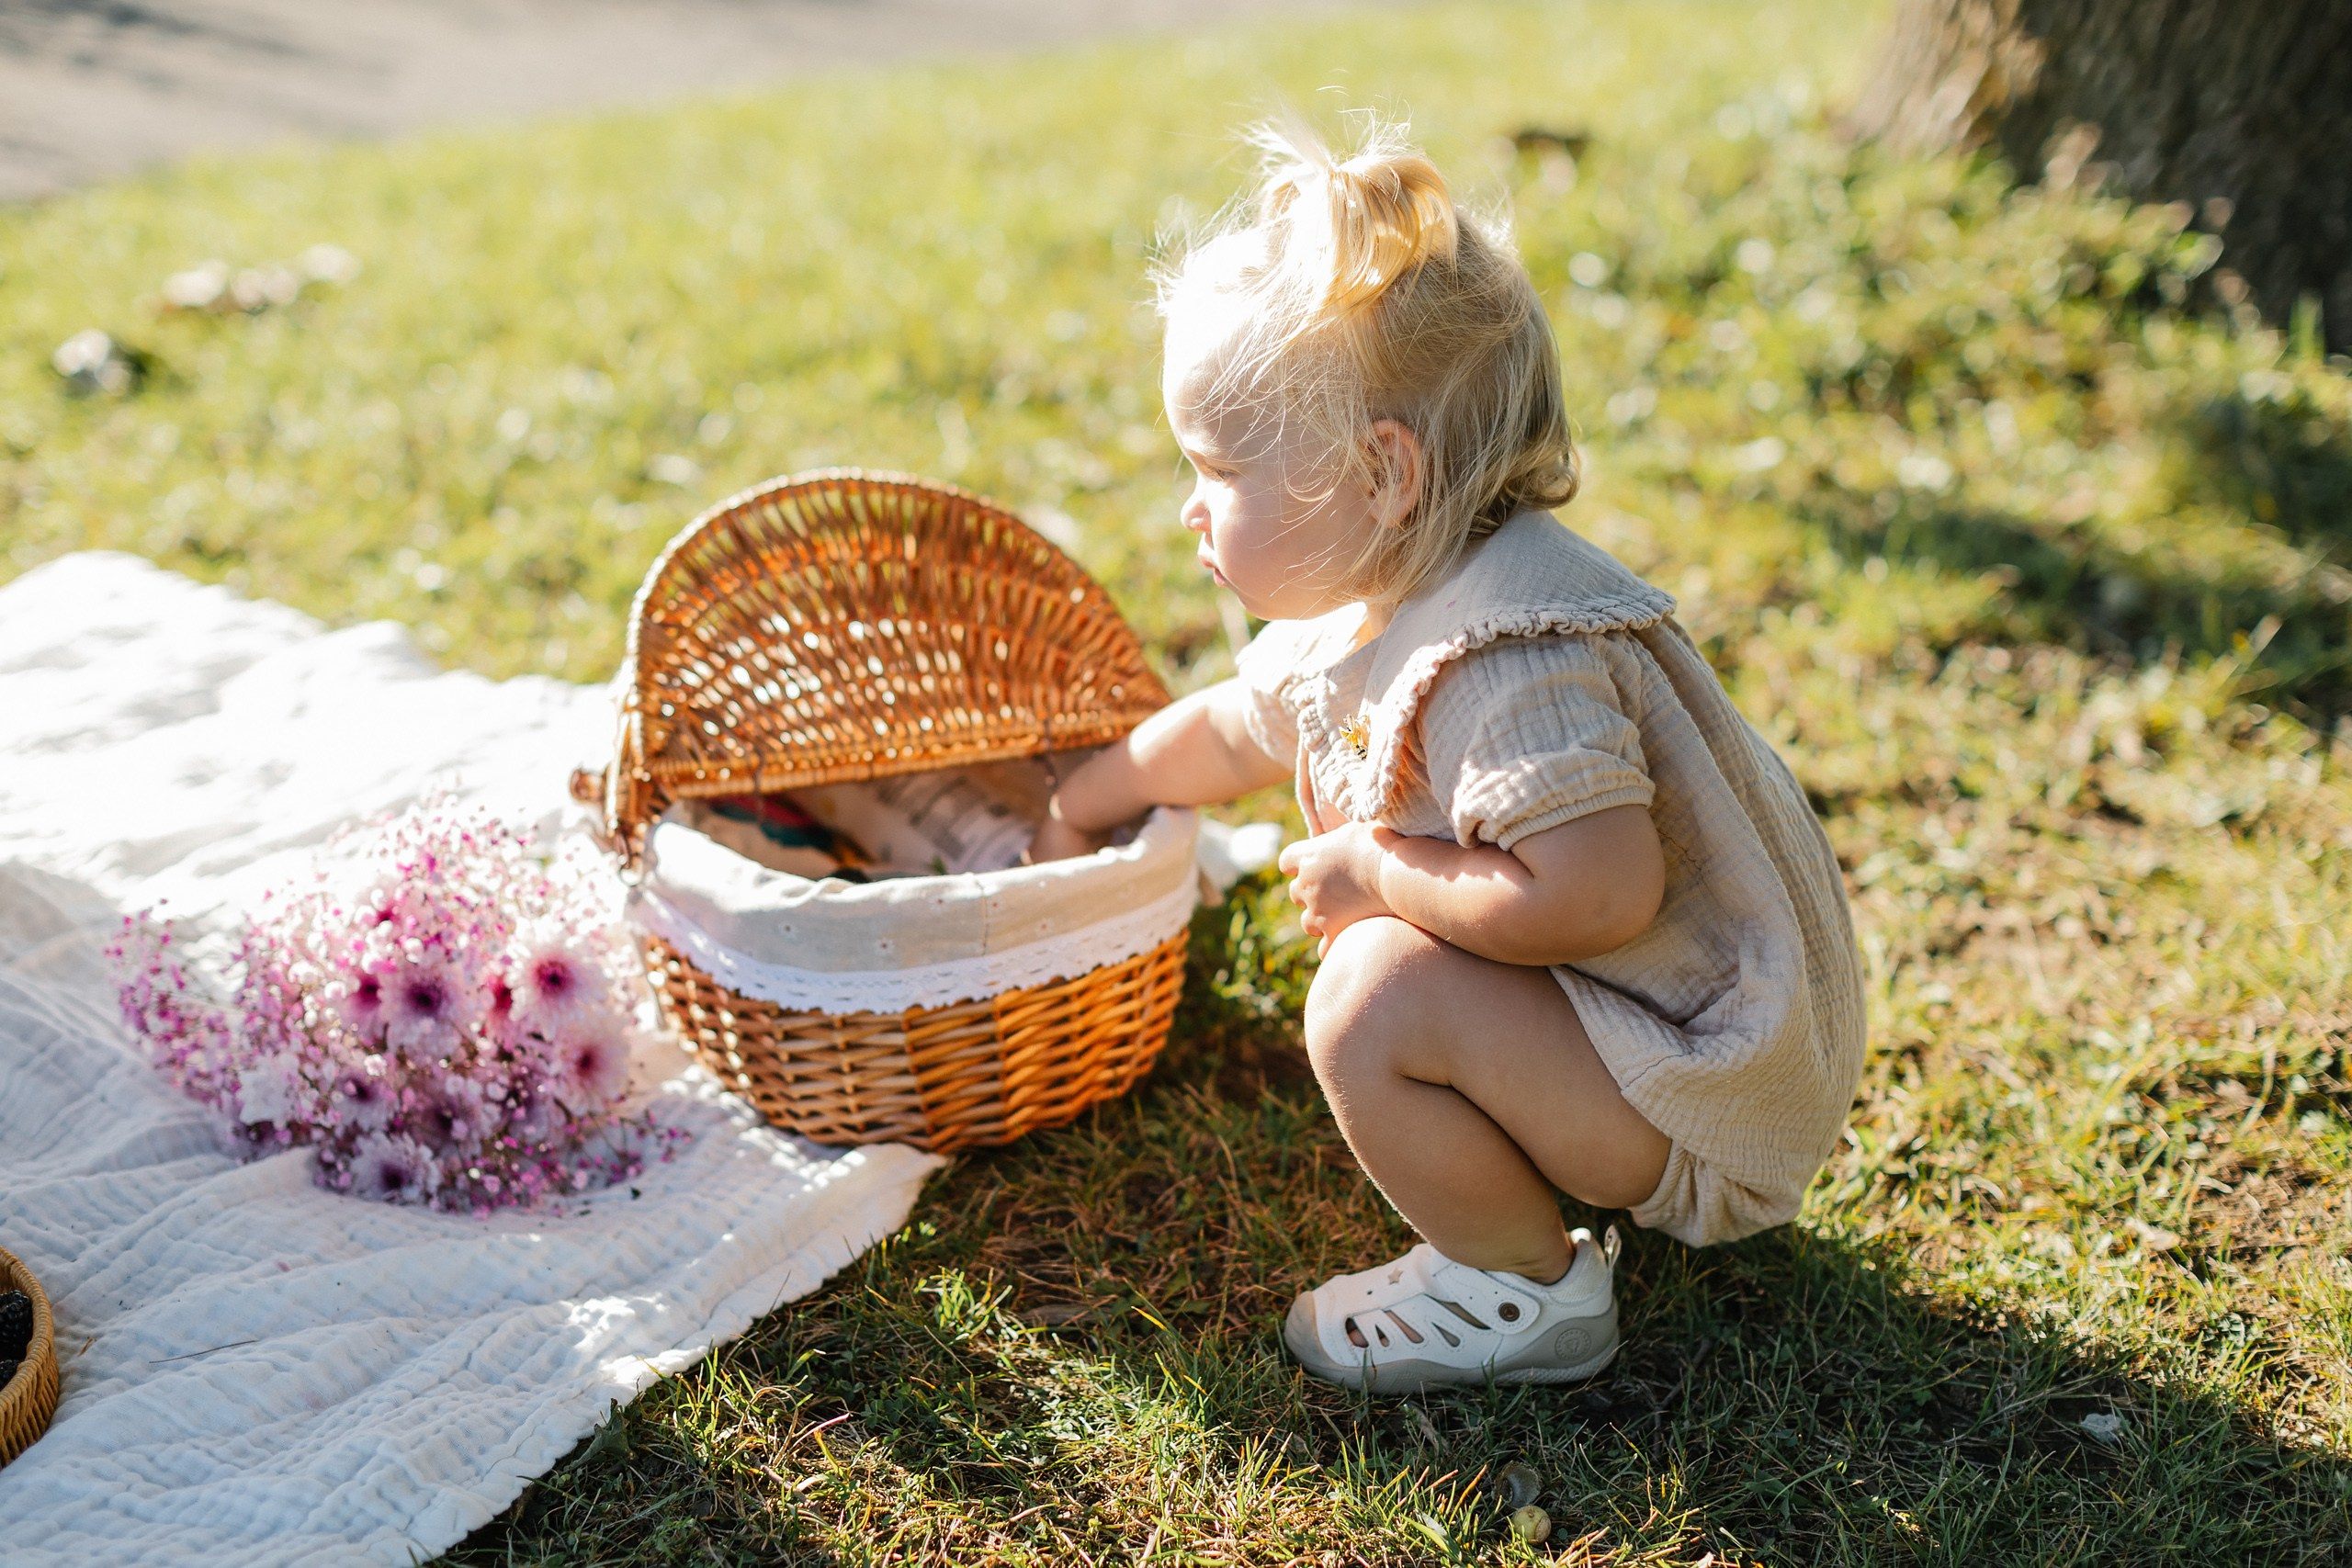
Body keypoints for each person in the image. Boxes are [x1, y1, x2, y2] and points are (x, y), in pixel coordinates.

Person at [1026, 116, 1865, 1393]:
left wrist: (1380, 873)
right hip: (1639, 1047)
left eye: (1218, 469)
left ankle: (1524, 1289)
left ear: (1381, 473)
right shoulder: (1385, 591)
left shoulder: (1507, 663)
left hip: (1707, 1092)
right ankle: (1532, 1178)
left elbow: (1597, 895)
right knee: (1387, 975)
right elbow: (1240, 723)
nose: (1191, 507)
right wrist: (1087, 796)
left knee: (1373, 998)